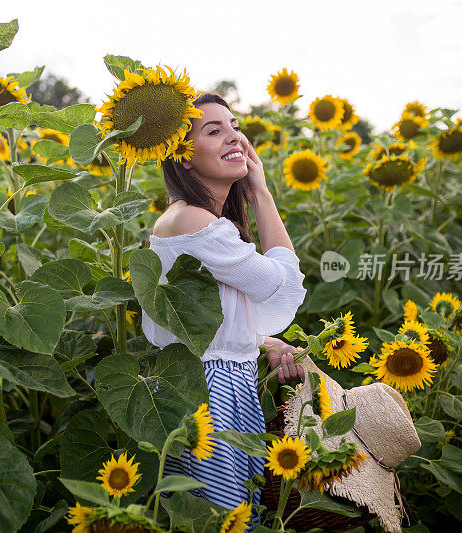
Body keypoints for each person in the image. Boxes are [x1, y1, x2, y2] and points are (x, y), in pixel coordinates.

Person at [140, 92, 308, 526]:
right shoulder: (192, 220)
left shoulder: (205, 222)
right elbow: (280, 284)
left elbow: (207, 320)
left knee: (236, 516)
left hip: (225, 384)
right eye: (214, 131)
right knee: (218, 520)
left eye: (235, 126)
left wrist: (261, 342)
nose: (235, 137)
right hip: (208, 392)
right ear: (184, 157)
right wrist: (261, 191)